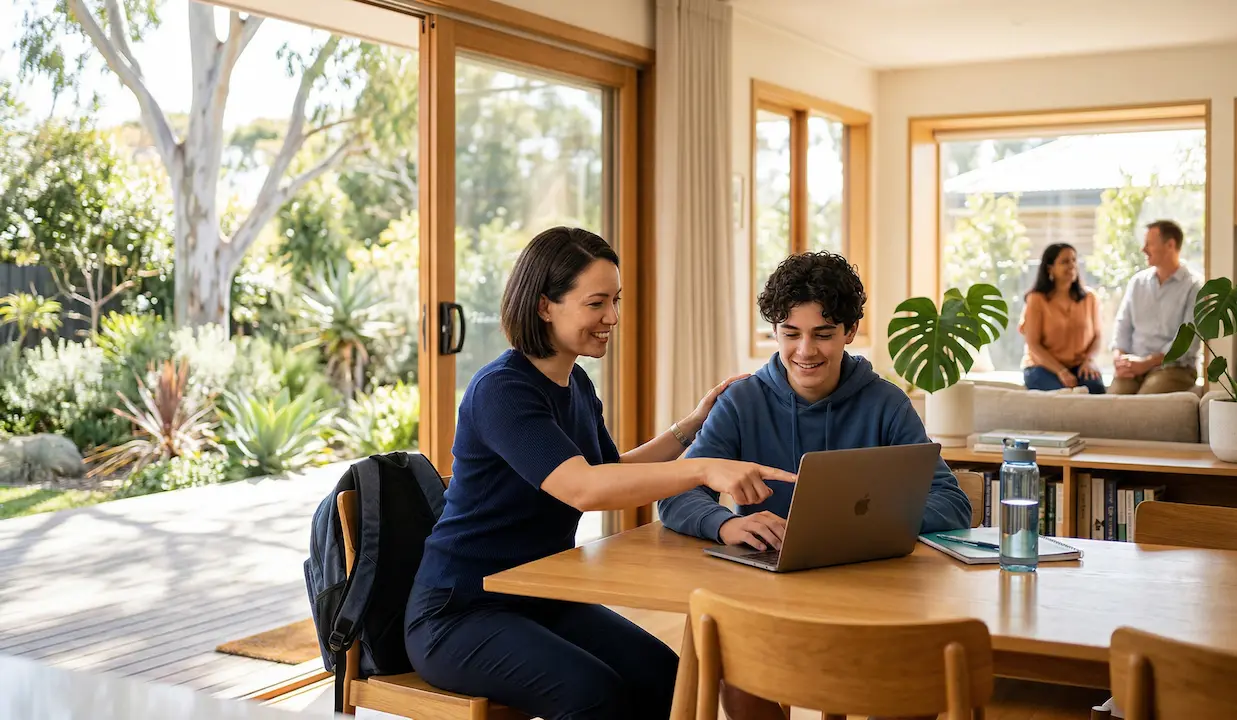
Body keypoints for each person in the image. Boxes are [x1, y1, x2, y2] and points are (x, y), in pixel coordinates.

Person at [404, 227, 796, 720]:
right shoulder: (502, 391)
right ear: (546, 305)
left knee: (667, 680)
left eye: (615, 300)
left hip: (540, 598)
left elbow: (610, 472)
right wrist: (704, 468)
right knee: (593, 696)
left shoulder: (576, 384)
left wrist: (690, 428)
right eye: (596, 303)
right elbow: (583, 489)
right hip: (460, 613)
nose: (612, 317)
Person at [658, 250, 971, 720]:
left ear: (848, 331)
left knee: (912, 679)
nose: (806, 351)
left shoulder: (886, 403)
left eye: (823, 334)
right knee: (729, 654)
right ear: (776, 332)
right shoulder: (742, 402)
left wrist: (866, 528)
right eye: (791, 334)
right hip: (769, 599)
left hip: (874, 600)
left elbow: (951, 502)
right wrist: (724, 526)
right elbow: (677, 491)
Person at [1110, 220, 1202, 395]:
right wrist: (1119, 359)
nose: (1143, 249)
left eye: (1149, 244)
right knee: (1113, 402)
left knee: (1145, 403)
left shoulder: (1194, 287)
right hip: (1134, 367)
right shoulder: (1137, 283)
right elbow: (1122, 326)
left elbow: (1186, 344)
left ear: (1170, 245)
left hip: (1175, 368)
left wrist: (1146, 363)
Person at [1019, 243, 1105, 394]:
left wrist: (1089, 361)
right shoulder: (1036, 299)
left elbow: (1097, 337)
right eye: (1065, 262)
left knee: (1096, 390)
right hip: (1042, 366)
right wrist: (1061, 371)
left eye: (1074, 260)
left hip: (1079, 365)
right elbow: (1033, 344)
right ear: (1050, 268)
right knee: (1062, 395)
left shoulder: (1090, 298)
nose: (1072, 265)